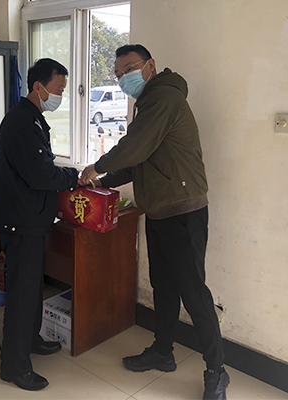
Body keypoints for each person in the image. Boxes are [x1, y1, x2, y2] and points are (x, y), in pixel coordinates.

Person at [79, 44, 229, 400]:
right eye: (118, 74)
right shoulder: (148, 103)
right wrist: (102, 182)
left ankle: (217, 371)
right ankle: (163, 352)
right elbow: (139, 161)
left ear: (150, 65)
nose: (123, 78)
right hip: (160, 211)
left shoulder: (164, 98)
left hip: (183, 212)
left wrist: (96, 167)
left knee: (193, 293)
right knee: (163, 286)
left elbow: (133, 148)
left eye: (128, 68)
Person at [0, 58, 79, 391]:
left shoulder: (32, 118)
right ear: (38, 87)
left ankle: (31, 339)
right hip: (20, 220)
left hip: (28, 218)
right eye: (58, 89)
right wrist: (73, 177)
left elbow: (40, 165)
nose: (61, 95)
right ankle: (14, 366)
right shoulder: (22, 122)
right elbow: (41, 173)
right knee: (22, 293)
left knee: (32, 286)